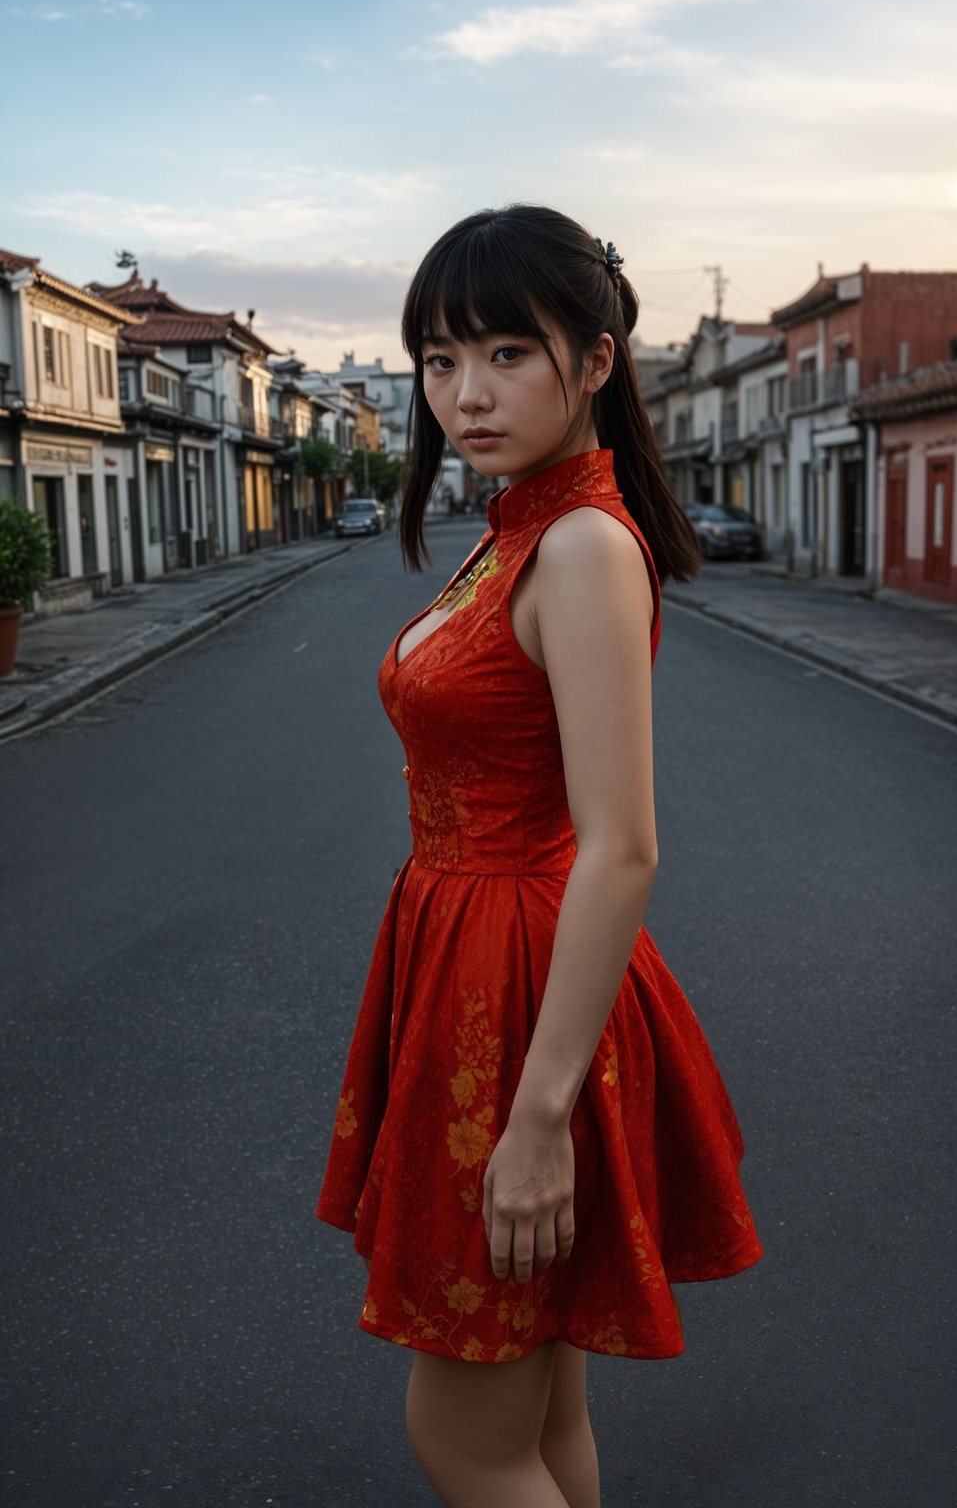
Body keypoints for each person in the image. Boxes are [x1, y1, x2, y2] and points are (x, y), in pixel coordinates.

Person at [316, 204, 763, 1508]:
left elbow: (624, 847)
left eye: (511, 351)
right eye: (441, 358)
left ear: (600, 361)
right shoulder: (520, 526)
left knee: (466, 1436)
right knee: (543, 1405)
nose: (467, 391)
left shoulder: (577, 545)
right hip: (472, 958)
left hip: (517, 990)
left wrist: (536, 1119)